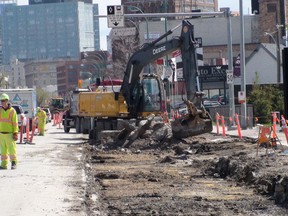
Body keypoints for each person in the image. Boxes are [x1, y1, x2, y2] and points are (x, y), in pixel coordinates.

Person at [0, 93, 18, 170]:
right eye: (1, 100)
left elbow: (15, 123)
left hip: (10, 134)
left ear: (7, 101)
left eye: (3, 100)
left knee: (12, 150)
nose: (2, 102)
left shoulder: (12, 111)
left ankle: (14, 163)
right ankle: (4, 164)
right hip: (1, 134)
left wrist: (15, 133)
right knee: (3, 151)